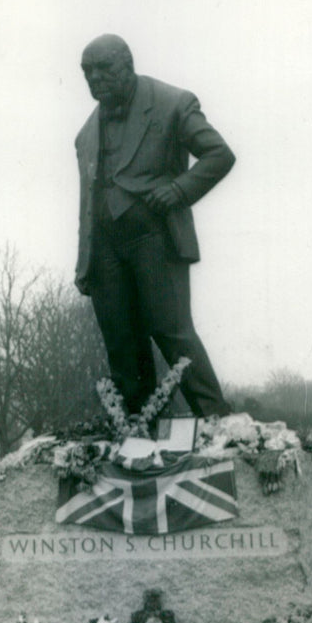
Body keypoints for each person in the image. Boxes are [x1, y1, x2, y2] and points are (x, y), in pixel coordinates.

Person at [74, 34, 234, 418]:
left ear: (128, 66)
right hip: (105, 251)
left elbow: (219, 154)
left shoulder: (172, 103)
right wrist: (85, 263)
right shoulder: (85, 133)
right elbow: (87, 203)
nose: (95, 78)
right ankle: (140, 435)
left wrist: (179, 190)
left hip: (154, 238)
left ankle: (219, 425)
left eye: (104, 69)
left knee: (174, 334)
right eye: (87, 72)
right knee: (122, 349)